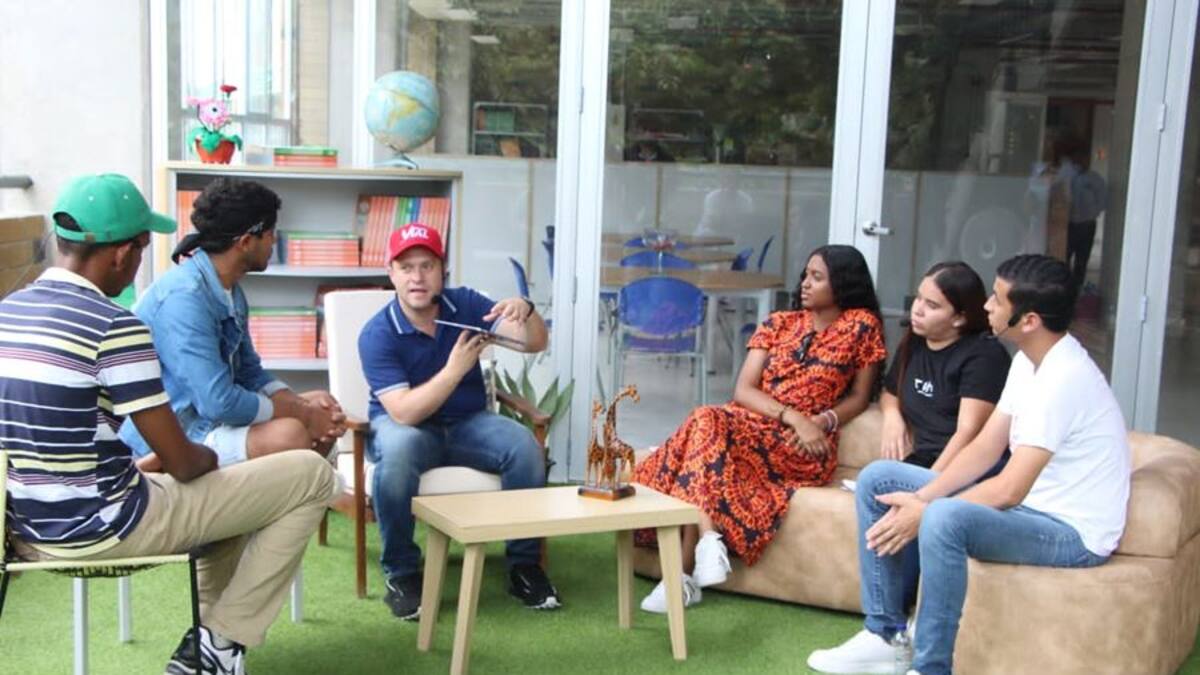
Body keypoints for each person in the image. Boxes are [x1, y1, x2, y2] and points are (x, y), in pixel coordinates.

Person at [0, 174, 339, 674]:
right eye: (142, 247)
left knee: (236, 489)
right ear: (122, 254)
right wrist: (206, 458)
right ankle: (221, 643)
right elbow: (185, 464)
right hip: (109, 525)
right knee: (311, 476)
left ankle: (210, 641)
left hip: (27, 529)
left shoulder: (8, 312)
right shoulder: (115, 326)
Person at [808, 254, 1130, 675]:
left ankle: (931, 667)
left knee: (945, 519)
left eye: (997, 299)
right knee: (878, 479)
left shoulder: (1063, 379)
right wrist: (922, 496)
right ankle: (884, 635)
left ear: (1029, 320)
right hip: (1032, 509)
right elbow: (985, 448)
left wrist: (927, 508)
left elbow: (1009, 488)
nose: (987, 307)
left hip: (1072, 532)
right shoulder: (1028, 362)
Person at [633, 244, 887, 613]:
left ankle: (686, 573)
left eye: (817, 277)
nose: (805, 283)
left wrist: (820, 421)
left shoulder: (861, 325)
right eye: (806, 274)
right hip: (754, 426)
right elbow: (743, 390)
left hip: (800, 447)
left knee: (702, 430)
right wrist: (793, 416)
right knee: (706, 429)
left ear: (843, 284)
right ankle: (700, 552)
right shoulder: (779, 322)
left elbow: (861, 397)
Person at [358, 222, 558, 621]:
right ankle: (402, 573)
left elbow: (535, 342)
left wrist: (527, 310)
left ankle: (524, 566)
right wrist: (454, 370)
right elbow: (404, 412)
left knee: (524, 446)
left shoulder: (465, 303)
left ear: (442, 271)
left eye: (427, 266)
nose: (417, 277)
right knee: (398, 453)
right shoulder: (377, 334)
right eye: (407, 267)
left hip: (468, 423)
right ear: (391, 273)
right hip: (409, 427)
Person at [120, 178, 347, 469]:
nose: (274, 242)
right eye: (270, 234)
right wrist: (301, 413)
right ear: (246, 242)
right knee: (290, 434)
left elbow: (249, 371)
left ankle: (291, 493)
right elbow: (217, 402)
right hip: (177, 438)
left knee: (322, 401)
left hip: (209, 419)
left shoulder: (229, 290)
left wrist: (304, 407)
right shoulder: (184, 299)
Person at [880, 261, 1011, 472]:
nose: (917, 310)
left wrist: (929, 484)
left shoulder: (984, 355)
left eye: (932, 305)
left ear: (959, 318)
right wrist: (892, 416)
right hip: (923, 460)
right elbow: (891, 391)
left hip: (967, 469)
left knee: (876, 477)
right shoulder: (915, 342)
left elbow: (968, 432)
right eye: (918, 298)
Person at [1064, 147, 1108, 292]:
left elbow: (1102, 200)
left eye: (1084, 159)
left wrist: (1092, 213)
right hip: (1068, 224)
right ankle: (1063, 287)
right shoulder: (1067, 176)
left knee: (1082, 260)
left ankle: (1077, 289)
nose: (1082, 162)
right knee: (1064, 257)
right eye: (1078, 158)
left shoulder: (1094, 179)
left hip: (1087, 225)